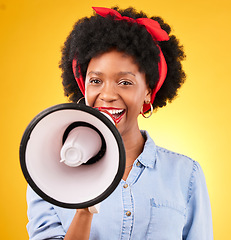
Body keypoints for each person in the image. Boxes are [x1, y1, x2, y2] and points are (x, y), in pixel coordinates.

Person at [26, 6, 213, 240]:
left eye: (124, 82)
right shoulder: (46, 173)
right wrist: (85, 208)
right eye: (95, 80)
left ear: (149, 92)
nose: (107, 95)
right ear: (84, 87)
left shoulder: (186, 175)